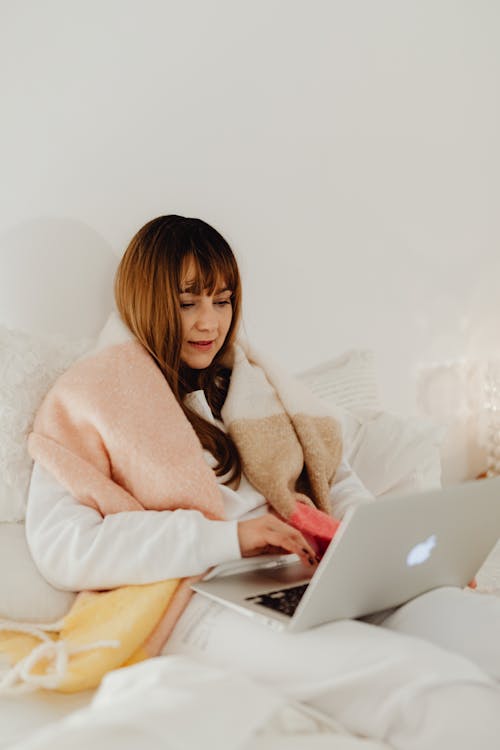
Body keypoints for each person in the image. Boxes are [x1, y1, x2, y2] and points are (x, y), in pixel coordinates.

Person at [26, 215, 500, 749]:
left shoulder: (252, 383)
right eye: (188, 303)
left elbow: (331, 476)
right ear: (148, 300)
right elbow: (63, 548)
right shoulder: (88, 398)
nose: (211, 322)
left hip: (318, 571)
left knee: (484, 634)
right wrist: (229, 539)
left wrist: (383, 547)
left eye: (222, 300)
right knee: (434, 691)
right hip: (204, 594)